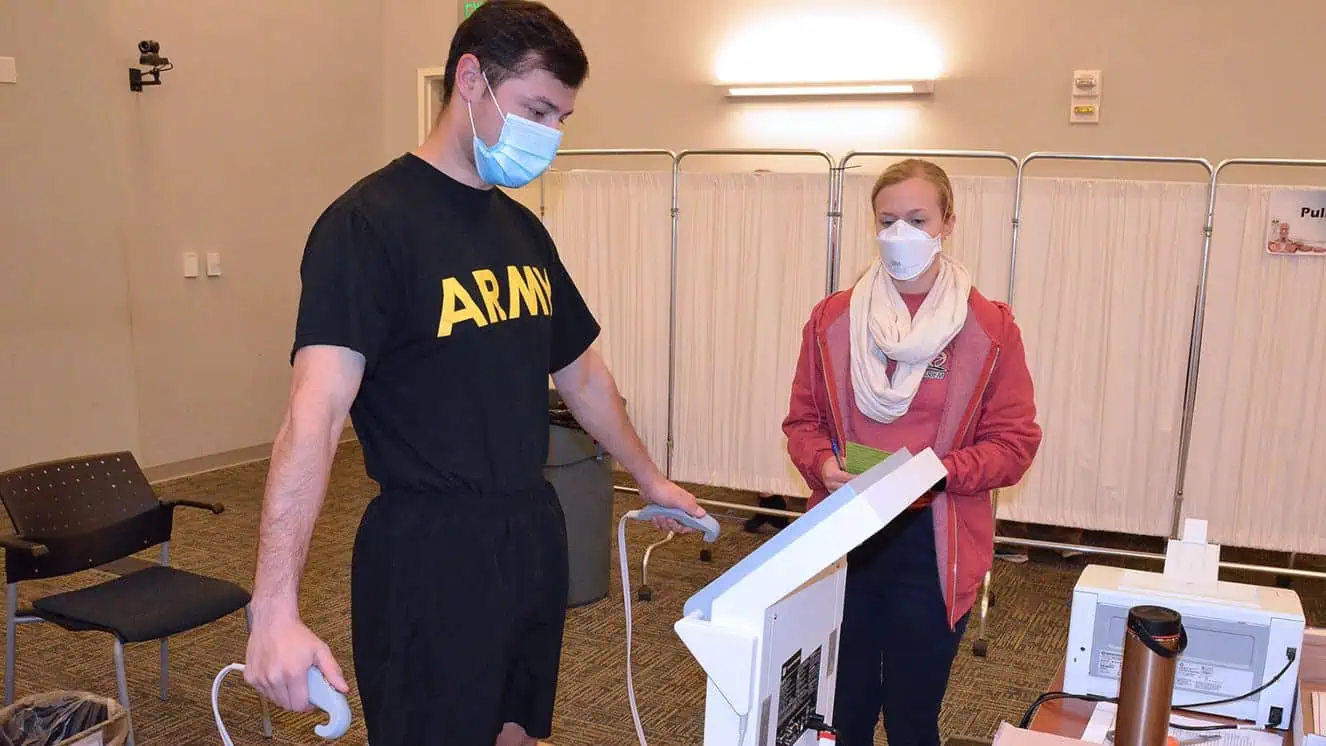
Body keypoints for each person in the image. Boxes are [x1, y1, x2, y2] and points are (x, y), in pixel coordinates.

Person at [241, 3, 705, 744]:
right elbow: (314, 413)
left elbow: (583, 375)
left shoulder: (522, 231)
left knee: (519, 730)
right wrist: (273, 608)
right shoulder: (367, 224)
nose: (550, 135)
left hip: (527, 528)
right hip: (429, 548)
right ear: (470, 79)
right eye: (537, 109)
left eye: (562, 118)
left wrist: (648, 476)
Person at [782, 159, 1043, 746]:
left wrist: (936, 473)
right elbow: (802, 422)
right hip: (847, 533)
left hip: (934, 545)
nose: (901, 233)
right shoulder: (834, 319)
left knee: (912, 716)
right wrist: (822, 464)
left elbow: (1014, 444)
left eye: (918, 218)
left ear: (947, 222)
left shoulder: (989, 328)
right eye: (888, 220)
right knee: (838, 713)